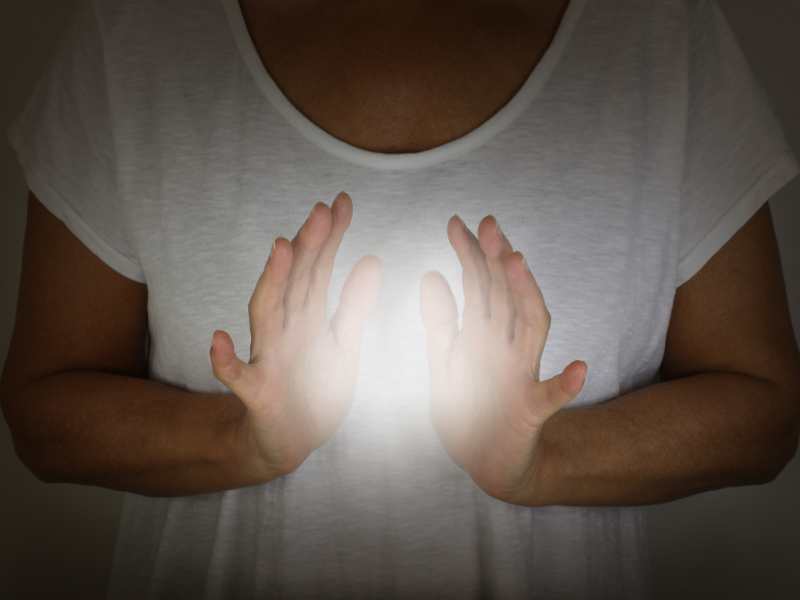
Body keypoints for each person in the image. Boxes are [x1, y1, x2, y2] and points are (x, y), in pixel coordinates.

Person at [2, 0, 799, 597]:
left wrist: (545, 463)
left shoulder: (659, 31)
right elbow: (42, 411)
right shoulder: (138, 30)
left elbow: (767, 413)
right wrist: (242, 442)